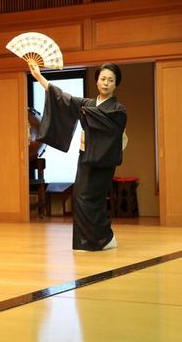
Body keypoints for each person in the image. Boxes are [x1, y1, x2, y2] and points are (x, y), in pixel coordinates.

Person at [29, 62, 127, 251]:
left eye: (111, 80)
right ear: (97, 81)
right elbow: (63, 98)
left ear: (116, 84)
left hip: (103, 160)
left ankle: (105, 238)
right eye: (103, 79)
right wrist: (39, 77)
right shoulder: (87, 104)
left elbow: (109, 127)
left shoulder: (118, 110)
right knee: (79, 196)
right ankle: (84, 241)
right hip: (86, 157)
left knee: (94, 199)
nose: (106, 83)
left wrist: (87, 114)